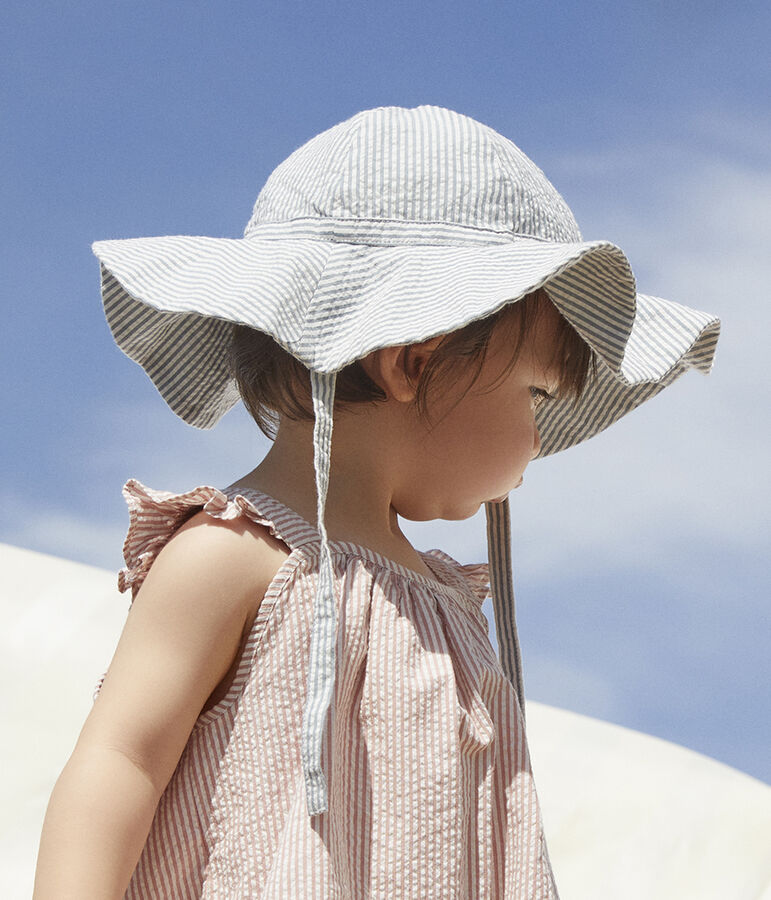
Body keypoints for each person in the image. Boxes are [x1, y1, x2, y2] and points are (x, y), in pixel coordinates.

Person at [33, 106, 719, 899]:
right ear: (413, 364)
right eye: (536, 395)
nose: (540, 438)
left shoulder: (447, 604)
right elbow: (120, 761)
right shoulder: (233, 556)